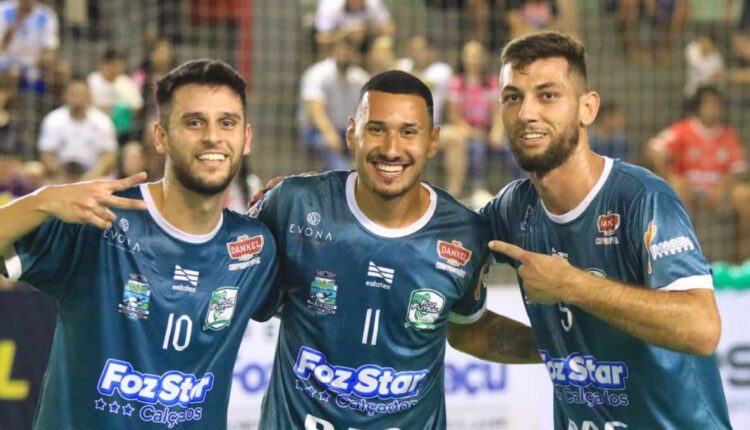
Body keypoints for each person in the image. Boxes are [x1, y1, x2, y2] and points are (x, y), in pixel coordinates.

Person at [0, 59, 280, 429]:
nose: (212, 137)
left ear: (245, 139)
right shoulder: (100, 217)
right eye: (194, 122)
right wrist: (43, 199)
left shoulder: (255, 247)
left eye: (226, 122)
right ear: (161, 136)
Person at [253, 70, 539, 429]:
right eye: (376, 129)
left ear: (433, 140)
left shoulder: (464, 235)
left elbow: (470, 330)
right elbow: (229, 276)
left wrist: (562, 349)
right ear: (352, 131)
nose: (391, 149)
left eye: (409, 132)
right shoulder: (294, 203)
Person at [482, 31, 731, 429]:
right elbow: (443, 262)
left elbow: (702, 329)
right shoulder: (512, 208)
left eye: (547, 95)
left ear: (587, 108)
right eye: (513, 97)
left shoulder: (642, 198)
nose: (527, 112)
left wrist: (572, 286)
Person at [298, 37, 369, 171]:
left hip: (347, 130)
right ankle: (343, 178)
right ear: (333, 51)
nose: (345, 54)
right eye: (342, 49)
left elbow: (369, 108)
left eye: (349, 50)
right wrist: (329, 133)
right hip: (316, 131)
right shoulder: (318, 73)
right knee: (327, 144)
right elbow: (315, 108)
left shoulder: (360, 77)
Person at [38, 78, 118, 181]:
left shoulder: (103, 122)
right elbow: (46, 153)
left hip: (92, 174)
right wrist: (60, 173)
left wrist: (93, 174)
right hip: (60, 173)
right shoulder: (53, 119)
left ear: (89, 95)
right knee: (34, 170)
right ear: (66, 95)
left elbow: (109, 155)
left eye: (81, 94)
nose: (77, 98)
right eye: (74, 94)